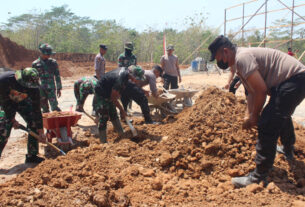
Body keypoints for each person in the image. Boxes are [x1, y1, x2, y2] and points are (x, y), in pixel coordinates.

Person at [208, 35, 305, 188]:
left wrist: (255, 116)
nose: (218, 61)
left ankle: (258, 177)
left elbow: (261, 91)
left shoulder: (242, 58)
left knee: (267, 123)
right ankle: (287, 148)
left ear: (225, 51)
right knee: (280, 115)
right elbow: (251, 92)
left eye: (218, 57)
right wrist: (248, 114)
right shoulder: (238, 63)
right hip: (293, 80)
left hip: (294, 80)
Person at [0, 68, 46, 163]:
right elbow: (4, 102)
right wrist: (12, 120)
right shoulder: (5, 80)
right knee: (3, 128)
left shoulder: (34, 88)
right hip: (4, 103)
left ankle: (31, 155)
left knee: (34, 123)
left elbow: (36, 110)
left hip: (22, 101)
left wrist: (40, 130)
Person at [94, 70, 135, 143]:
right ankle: (103, 142)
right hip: (102, 93)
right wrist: (122, 111)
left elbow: (117, 93)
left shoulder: (126, 73)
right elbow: (113, 98)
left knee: (113, 113)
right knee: (104, 117)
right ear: (132, 75)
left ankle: (121, 133)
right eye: (136, 78)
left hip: (109, 92)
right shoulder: (120, 78)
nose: (136, 80)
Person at [32, 43, 62, 113]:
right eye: (47, 54)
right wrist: (34, 90)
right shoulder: (35, 64)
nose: (49, 56)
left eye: (49, 54)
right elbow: (33, 79)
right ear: (41, 53)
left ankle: (57, 122)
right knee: (44, 109)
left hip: (51, 88)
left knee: (55, 107)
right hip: (41, 89)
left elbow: (57, 76)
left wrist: (59, 88)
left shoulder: (53, 62)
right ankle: (46, 123)